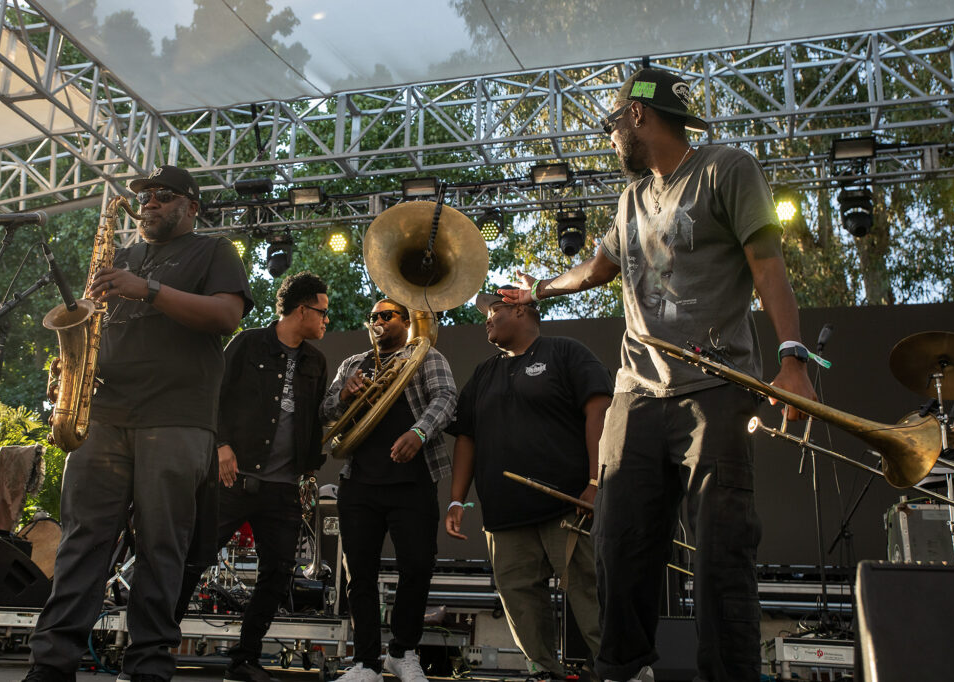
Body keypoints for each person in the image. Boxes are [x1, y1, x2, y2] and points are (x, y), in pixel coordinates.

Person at [498, 68, 818, 682]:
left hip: (715, 390)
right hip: (637, 395)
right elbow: (596, 270)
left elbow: (767, 264)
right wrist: (537, 288)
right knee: (619, 548)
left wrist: (793, 357)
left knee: (721, 552)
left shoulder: (727, 169)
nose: (612, 139)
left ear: (638, 116)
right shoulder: (630, 199)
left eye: (613, 125)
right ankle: (622, 670)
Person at [24, 165, 253, 682]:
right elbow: (93, 321)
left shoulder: (212, 252)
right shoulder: (120, 257)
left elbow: (225, 317)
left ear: (191, 206)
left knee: (160, 546)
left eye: (162, 195)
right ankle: (52, 663)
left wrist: (146, 288)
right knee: (82, 542)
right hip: (102, 414)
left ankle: (149, 665)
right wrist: (71, 365)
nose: (148, 201)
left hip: (175, 419)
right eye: (143, 194)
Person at [445, 287, 612, 680]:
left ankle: (622, 672)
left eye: (495, 309)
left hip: (567, 508)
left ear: (521, 310)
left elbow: (599, 412)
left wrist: (595, 481)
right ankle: (543, 671)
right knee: (519, 602)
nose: (487, 317)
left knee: (592, 597)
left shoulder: (566, 352)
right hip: (504, 517)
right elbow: (466, 436)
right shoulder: (484, 373)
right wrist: (456, 500)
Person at [175, 271, 330, 682]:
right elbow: (211, 394)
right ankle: (156, 645)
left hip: (284, 488)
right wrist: (221, 445)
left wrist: (309, 472)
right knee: (194, 560)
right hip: (234, 479)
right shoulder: (247, 343)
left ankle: (244, 660)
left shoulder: (317, 361)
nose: (326, 321)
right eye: (323, 312)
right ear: (302, 310)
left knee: (278, 574)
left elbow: (314, 422)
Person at [321, 299, 457, 682]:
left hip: (412, 483)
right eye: (374, 317)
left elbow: (446, 398)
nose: (378, 321)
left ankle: (402, 651)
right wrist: (343, 395)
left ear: (406, 319)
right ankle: (365, 662)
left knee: (416, 567)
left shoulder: (426, 355)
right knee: (358, 574)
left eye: (387, 315)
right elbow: (326, 411)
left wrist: (419, 432)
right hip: (360, 483)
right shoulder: (352, 363)